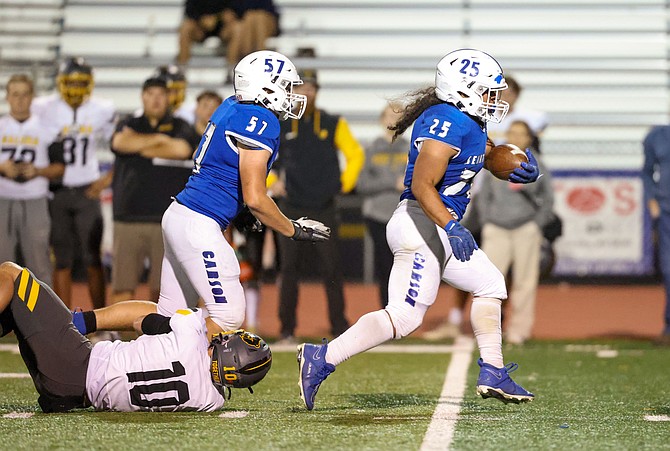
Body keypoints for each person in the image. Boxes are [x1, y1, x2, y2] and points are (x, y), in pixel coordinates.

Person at [296, 49, 541, 411]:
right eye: (488, 91)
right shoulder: (446, 120)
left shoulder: (468, 119)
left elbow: (482, 155)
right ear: (464, 90)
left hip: (435, 226)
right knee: (404, 317)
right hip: (422, 221)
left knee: (491, 283)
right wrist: (452, 225)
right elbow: (425, 185)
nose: (495, 99)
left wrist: (509, 164)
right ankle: (322, 357)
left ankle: (493, 369)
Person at [73, 50, 331, 340]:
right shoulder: (260, 120)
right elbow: (257, 197)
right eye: (284, 85)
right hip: (200, 223)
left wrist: (241, 209)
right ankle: (190, 371)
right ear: (264, 86)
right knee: (228, 316)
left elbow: (227, 168)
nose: (289, 93)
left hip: (180, 214)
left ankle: (78, 323)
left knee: (168, 314)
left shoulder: (232, 105)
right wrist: (292, 229)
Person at [0, 261, 271, 413]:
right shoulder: (211, 401)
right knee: (17, 310)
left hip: (75, 363)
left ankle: (80, 321)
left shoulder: (190, 334)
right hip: (75, 398)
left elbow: (144, 320)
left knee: (11, 274)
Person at [270, 68, 365, 343]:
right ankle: (286, 329)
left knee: (331, 269)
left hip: (324, 206)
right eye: (301, 89)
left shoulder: (333, 122)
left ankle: (339, 328)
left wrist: (343, 185)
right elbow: (264, 156)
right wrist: (272, 180)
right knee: (288, 270)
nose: (306, 93)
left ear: (317, 92)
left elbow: (354, 154)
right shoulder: (280, 123)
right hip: (290, 207)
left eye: (311, 89)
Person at [31, 57, 116, 310]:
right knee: (62, 259)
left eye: (81, 84)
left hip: (87, 191)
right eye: (72, 83)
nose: (76, 89)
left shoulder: (101, 109)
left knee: (93, 258)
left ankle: (102, 320)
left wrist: (106, 180)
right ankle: (63, 321)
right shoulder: (43, 107)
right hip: (56, 192)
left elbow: (120, 147)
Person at [110, 77, 199, 304]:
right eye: (151, 94)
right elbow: (120, 143)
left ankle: (160, 337)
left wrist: (139, 145)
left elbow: (181, 149)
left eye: (161, 94)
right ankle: (119, 337)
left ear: (169, 97)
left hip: (167, 217)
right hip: (129, 215)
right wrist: (159, 140)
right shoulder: (129, 122)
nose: (156, 100)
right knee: (123, 285)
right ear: (143, 96)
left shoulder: (181, 126)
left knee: (164, 289)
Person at [476, 120, 554, 345]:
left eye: (521, 134)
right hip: (497, 228)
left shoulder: (537, 164)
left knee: (525, 282)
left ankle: (519, 330)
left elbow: (548, 199)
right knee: (488, 282)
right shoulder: (497, 159)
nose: (516, 137)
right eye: (512, 132)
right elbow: (483, 196)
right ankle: (486, 330)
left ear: (529, 138)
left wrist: (536, 223)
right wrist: (486, 221)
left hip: (525, 228)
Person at [0, 75, 64, 285]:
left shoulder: (48, 127)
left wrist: (38, 171)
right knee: (2, 265)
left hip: (35, 199)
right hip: (3, 199)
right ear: (7, 97)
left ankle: (45, 317)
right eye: (15, 94)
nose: (19, 100)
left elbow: (60, 167)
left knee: (39, 264)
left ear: (32, 97)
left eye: (25, 94)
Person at [356, 102, 408, 307]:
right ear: (381, 119)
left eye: (398, 116)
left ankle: (403, 309)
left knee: (404, 265)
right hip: (377, 215)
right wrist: (393, 183)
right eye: (389, 115)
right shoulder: (370, 149)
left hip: (404, 214)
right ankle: (387, 309)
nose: (393, 120)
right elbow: (362, 184)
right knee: (384, 265)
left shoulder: (412, 148)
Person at [642, 123, 670, 345]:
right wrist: (652, 198)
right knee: (668, 269)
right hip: (667, 210)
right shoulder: (658, 136)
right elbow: (647, 171)